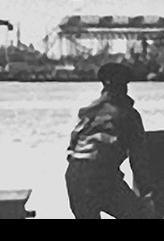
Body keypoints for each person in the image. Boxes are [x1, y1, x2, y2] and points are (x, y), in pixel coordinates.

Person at [65, 62, 154, 219]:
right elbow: (138, 159)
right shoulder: (129, 115)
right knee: (139, 216)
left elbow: (73, 146)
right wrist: (148, 196)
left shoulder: (89, 112)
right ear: (124, 87)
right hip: (102, 175)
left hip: (75, 175)